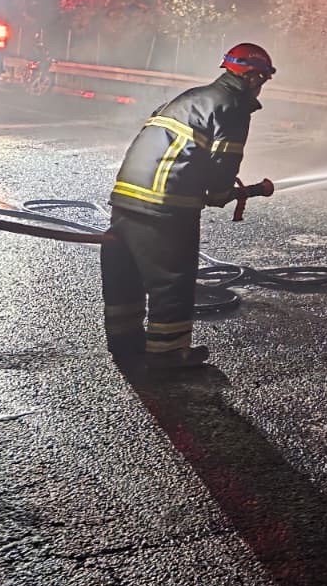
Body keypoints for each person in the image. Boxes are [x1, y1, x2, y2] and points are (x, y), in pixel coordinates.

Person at [101, 43, 275, 370]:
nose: (262, 85)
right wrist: (222, 191)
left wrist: (211, 188)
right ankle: (167, 357)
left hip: (126, 196)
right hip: (165, 205)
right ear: (251, 76)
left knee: (125, 274)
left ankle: (125, 345)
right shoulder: (232, 105)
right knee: (173, 282)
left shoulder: (194, 97)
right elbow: (225, 160)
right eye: (263, 78)